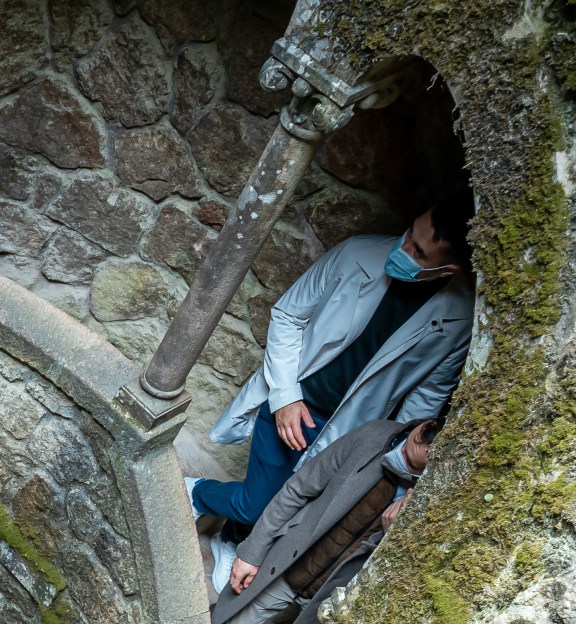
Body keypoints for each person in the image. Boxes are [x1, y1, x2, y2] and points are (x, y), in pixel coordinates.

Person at [193, 194, 474, 528]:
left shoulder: (459, 319)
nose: (403, 249)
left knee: (290, 510)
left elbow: (426, 397)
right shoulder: (356, 253)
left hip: (347, 430)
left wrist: (397, 467)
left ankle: (231, 542)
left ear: (448, 270)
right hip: (294, 399)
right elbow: (287, 316)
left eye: (418, 252)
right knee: (257, 506)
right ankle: (199, 493)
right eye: (409, 234)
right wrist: (285, 396)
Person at [212, 415, 438, 624]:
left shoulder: (430, 498)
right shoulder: (373, 436)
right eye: (407, 454)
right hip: (293, 566)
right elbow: (297, 489)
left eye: (416, 470)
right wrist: (252, 552)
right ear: (421, 429)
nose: (403, 463)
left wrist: (394, 535)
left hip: (333, 597)